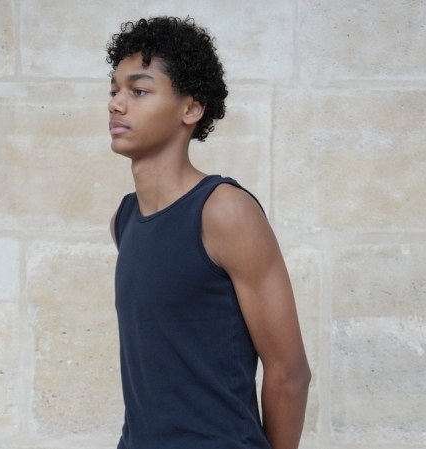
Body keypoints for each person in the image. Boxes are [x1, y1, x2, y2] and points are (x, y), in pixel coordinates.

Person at [106, 16, 311, 449]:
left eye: (139, 91)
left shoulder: (224, 211)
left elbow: (289, 373)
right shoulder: (124, 219)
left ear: (191, 109)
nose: (117, 104)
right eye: (114, 91)